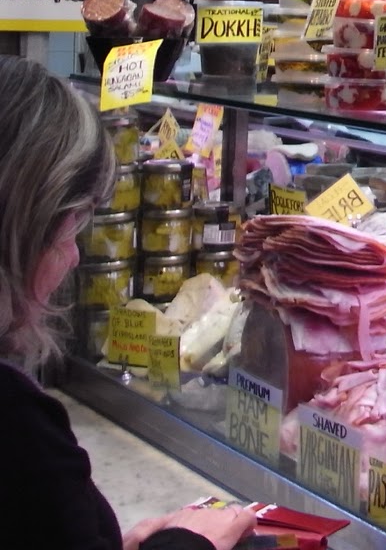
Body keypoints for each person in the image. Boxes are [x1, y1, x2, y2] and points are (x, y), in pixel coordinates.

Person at [0, 57, 256, 549]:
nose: (74, 256)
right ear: (23, 229)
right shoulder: (15, 428)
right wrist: (190, 542)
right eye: (70, 227)